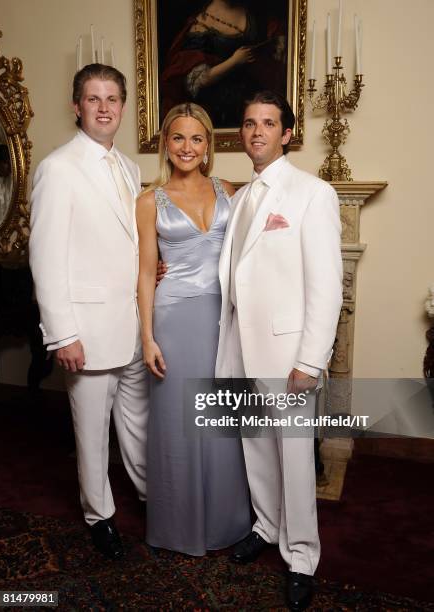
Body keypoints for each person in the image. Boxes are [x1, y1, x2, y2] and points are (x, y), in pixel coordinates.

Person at [215, 91, 343, 610]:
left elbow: (328, 285)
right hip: (242, 348)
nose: (258, 132)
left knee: (294, 456)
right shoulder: (243, 197)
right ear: (242, 134)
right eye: (249, 124)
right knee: (256, 449)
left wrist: (310, 359)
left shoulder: (313, 193)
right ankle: (267, 527)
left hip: (289, 352)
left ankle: (302, 557)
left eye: (269, 123)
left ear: (286, 133)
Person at [29, 64, 149, 560]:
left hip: (134, 328)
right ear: (77, 106)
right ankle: (100, 516)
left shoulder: (130, 167)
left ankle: (151, 498)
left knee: (140, 427)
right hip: (88, 331)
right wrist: (62, 335)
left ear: (122, 106)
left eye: (112, 99)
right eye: (93, 98)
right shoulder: (58, 168)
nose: (104, 107)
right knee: (92, 437)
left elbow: (130, 244)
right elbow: (46, 256)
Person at [136, 102, 251, 555]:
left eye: (197, 138)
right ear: (166, 143)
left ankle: (227, 522)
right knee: (178, 423)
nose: (188, 147)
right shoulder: (150, 201)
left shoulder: (229, 190)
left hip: (223, 318)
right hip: (174, 318)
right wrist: (147, 337)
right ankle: (178, 528)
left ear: (208, 146)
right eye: (178, 137)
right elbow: (146, 273)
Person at [160, 0, 286, 127]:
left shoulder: (250, 11)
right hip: (219, 109)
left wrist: (279, 42)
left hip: (253, 102)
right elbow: (196, 80)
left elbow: (273, 32)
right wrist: (234, 61)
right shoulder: (201, 24)